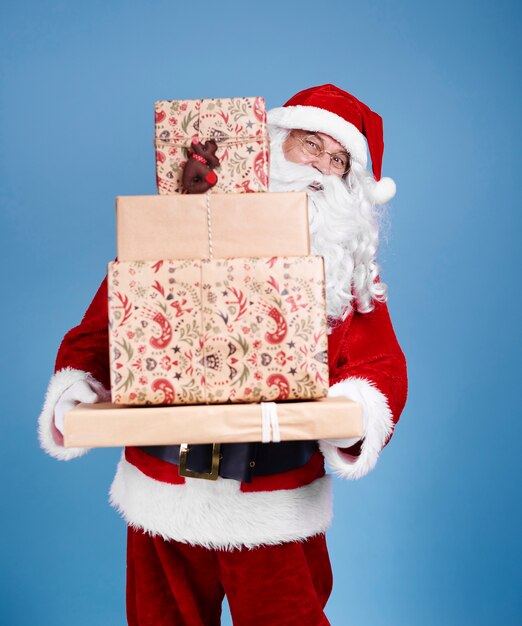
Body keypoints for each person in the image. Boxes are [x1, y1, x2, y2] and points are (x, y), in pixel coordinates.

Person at [38, 83, 407, 626]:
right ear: (275, 144)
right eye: (310, 145)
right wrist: (77, 387)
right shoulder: (182, 224)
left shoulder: (349, 276)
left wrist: (352, 413)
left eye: (338, 159)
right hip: (160, 489)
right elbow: (107, 322)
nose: (321, 168)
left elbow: (380, 367)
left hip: (272, 501)